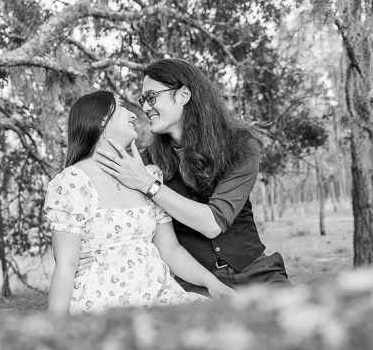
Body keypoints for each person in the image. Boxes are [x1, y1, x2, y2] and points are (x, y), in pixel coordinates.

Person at [93, 58, 291, 295]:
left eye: (152, 97)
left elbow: (213, 223)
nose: (145, 108)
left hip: (256, 271)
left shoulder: (242, 146)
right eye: (143, 100)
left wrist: (150, 185)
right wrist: (87, 253)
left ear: (184, 94)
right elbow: (101, 207)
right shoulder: (143, 164)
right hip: (192, 283)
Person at [44, 90, 235, 316]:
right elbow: (66, 265)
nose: (133, 115)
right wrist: (53, 330)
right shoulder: (72, 183)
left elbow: (170, 249)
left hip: (159, 297)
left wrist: (211, 282)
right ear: (102, 120)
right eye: (122, 106)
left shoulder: (146, 176)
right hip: (102, 306)